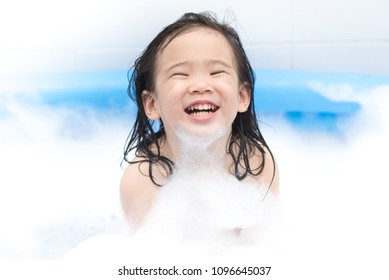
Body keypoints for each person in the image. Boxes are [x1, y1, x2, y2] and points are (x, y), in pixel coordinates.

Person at [120, 12, 279, 229]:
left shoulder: (256, 164)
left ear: (242, 97)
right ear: (152, 104)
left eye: (216, 72)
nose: (201, 85)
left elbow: (259, 245)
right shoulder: (141, 181)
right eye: (180, 74)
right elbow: (146, 254)